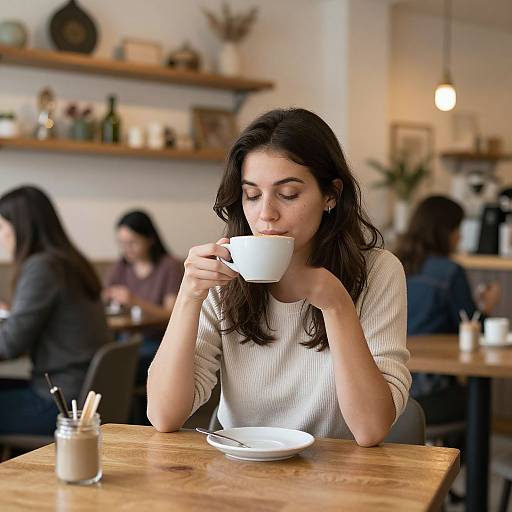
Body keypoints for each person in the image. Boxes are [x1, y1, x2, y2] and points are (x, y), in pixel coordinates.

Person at [147, 108, 411, 446]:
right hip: (240, 471)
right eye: (252, 195)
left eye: (288, 194)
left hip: (338, 478)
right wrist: (189, 296)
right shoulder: (224, 273)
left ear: (330, 195)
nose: (266, 214)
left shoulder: (378, 272)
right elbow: (164, 415)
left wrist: (337, 306)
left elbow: (371, 428)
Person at [0, 186, 111, 435]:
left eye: (2, 228)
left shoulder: (42, 267)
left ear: (20, 228)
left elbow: (9, 344)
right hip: (81, 391)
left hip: (62, 403)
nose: (1, 237)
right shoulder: (68, 260)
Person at [395, 195, 501, 425]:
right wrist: (487, 306)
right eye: (457, 228)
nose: (460, 235)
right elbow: (472, 328)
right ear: (444, 232)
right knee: (475, 400)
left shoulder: (392, 264)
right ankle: (463, 459)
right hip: (429, 391)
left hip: (389, 388)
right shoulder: (450, 272)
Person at [104, 210, 183, 385]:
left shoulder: (169, 266)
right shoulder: (122, 266)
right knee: (100, 358)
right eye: (122, 243)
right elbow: (104, 294)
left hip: (158, 341)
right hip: (125, 339)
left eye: (132, 242)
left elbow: (171, 314)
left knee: (116, 364)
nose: (126, 249)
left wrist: (134, 301)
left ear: (150, 239)